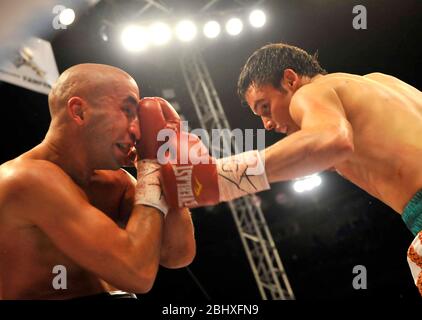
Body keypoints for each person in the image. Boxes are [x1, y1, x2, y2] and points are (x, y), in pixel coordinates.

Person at [150, 43, 422, 295]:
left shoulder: (311, 92)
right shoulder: (381, 83)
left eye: (265, 107)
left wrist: (217, 178)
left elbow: (331, 140)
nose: (267, 124)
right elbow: (321, 153)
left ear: (290, 80)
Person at [0, 63, 196, 300]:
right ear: (80, 112)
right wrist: (151, 168)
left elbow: (177, 253)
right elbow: (137, 275)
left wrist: (167, 167)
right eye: (127, 111)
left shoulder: (117, 182)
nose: (137, 130)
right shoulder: (26, 179)